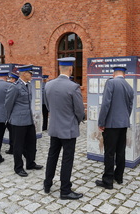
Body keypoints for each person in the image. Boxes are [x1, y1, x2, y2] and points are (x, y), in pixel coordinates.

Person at [44, 57, 85, 200]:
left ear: (60, 68)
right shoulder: (73, 87)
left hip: (54, 127)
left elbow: (47, 106)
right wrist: (78, 120)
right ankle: (65, 190)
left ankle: (47, 184)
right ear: (71, 69)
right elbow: (79, 111)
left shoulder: (48, 85)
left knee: (52, 156)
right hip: (68, 129)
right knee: (67, 159)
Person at [95, 67, 134, 189]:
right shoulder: (129, 86)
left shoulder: (111, 82)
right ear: (124, 75)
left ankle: (108, 180)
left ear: (114, 74)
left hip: (112, 124)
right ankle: (119, 176)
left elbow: (106, 103)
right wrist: (125, 119)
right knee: (121, 151)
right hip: (123, 123)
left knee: (110, 152)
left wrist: (101, 122)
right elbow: (130, 106)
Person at [5, 65, 43, 177]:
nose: (31, 75)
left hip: (29, 119)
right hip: (18, 121)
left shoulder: (29, 85)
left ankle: (30, 163)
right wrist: (9, 118)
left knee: (32, 143)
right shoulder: (15, 87)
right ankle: (18, 167)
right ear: (24, 74)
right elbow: (8, 104)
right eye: (30, 73)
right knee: (18, 145)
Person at [5, 72, 19, 155]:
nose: (9, 80)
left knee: (13, 133)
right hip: (10, 114)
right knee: (13, 133)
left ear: (14, 79)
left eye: (11, 79)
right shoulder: (11, 86)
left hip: (11, 114)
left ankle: (13, 148)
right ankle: (12, 148)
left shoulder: (14, 87)